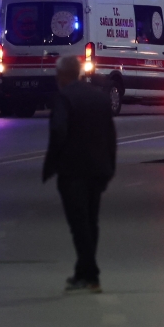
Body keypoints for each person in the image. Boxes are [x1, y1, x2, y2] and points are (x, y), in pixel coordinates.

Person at [43, 56, 117, 294]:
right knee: (91, 221)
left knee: (78, 223)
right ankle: (83, 273)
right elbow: (111, 135)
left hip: (73, 170)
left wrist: (52, 163)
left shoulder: (64, 98)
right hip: (98, 168)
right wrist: (110, 167)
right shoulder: (99, 97)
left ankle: (91, 272)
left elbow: (58, 130)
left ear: (62, 76)